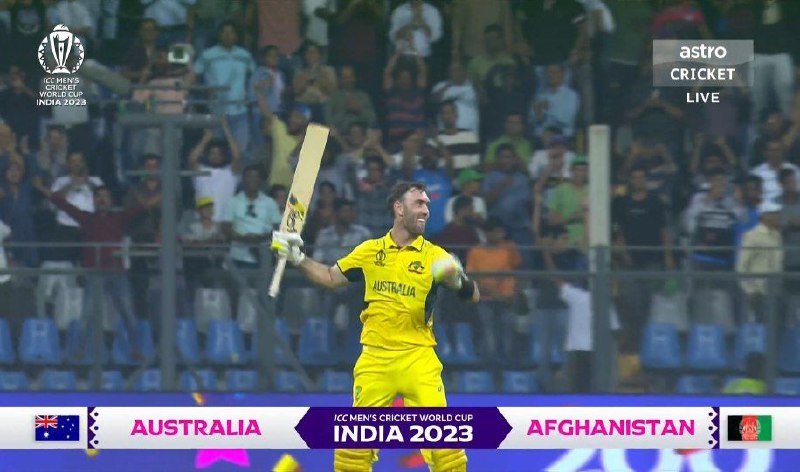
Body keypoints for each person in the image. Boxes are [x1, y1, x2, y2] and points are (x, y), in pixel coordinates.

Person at [271, 181, 479, 472]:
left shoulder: (435, 255)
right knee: (353, 452)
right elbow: (330, 277)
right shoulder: (370, 251)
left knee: (446, 450)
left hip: (419, 358)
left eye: (427, 205)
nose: (426, 211)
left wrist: (458, 280)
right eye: (419, 203)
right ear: (399, 208)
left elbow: (473, 295)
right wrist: (298, 258)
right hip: (375, 360)